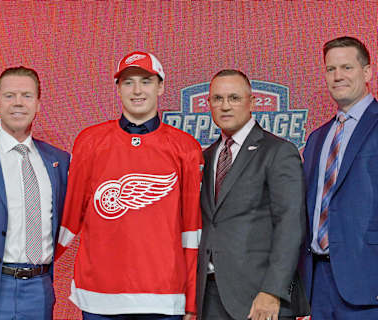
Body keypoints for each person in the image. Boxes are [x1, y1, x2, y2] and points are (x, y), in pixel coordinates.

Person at [56, 51, 203, 320]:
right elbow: (69, 218)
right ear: (118, 89)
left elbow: (191, 230)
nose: (137, 90)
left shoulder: (185, 148)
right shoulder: (89, 141)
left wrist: (191, 299)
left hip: (163, 296)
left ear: (160, 87)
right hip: (100, 295)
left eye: (146, 81)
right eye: (128, 82)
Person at [196, 70, 309, 320]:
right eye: (217, 98)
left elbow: (290, 226)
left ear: (252, 102)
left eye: (234, 98)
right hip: (210, 298)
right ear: (209, 104)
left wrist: (273, 291)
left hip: (260, 299)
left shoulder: (279, 151)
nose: (225, 106)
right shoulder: (205, 157)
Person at [0, 66, 70, 320]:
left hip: (40, 286)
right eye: (9, 96)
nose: (18, 104)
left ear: (38, 104)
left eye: (26, 96)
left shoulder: (59, 160)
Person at [301, 36, 378, 319]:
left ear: (367, 72)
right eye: (331, 69)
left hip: (368, 283)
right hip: (318, 283)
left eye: (346, 67)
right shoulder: (316, 139)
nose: (337, 76)